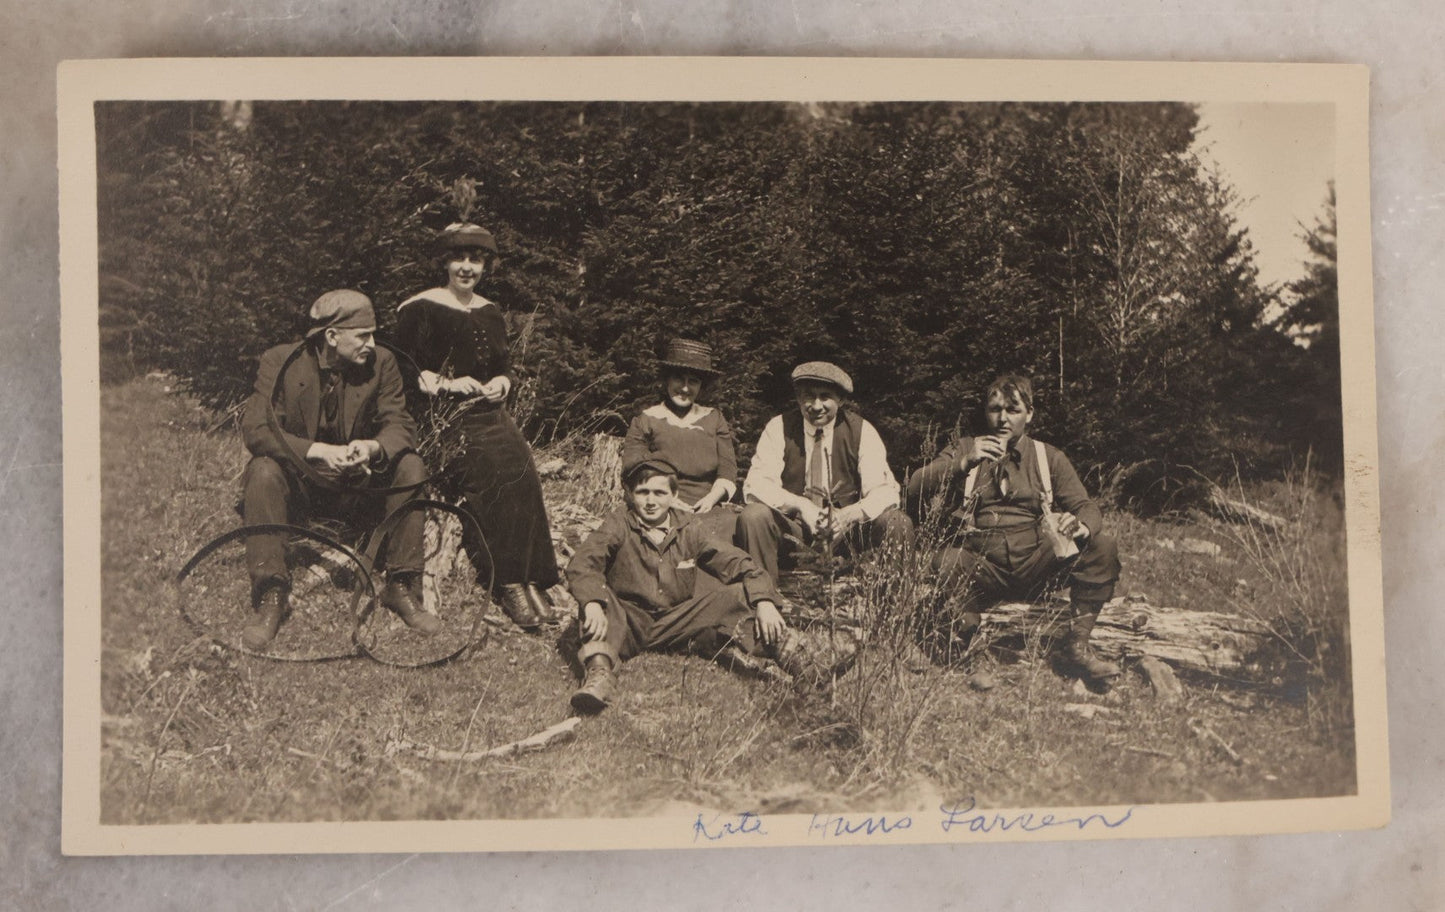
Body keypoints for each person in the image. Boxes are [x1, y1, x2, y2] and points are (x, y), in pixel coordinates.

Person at [568, 458, 857, 713]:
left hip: (677, 620)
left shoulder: (689, 528)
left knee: (739, 593)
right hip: (628, 620)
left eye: (659, 492)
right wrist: (592, 601)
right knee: (599, 595)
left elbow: (740, 563)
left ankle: (802, 661)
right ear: (631, 495)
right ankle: (599, 676)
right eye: (642, 493)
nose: (651, 501)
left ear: (674, 495)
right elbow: (584, 562)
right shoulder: (619, 522)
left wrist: (764, 602)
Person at [238, 289, 440, 650]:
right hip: (301, 494)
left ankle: (401, 584)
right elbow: (256, 429)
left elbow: (400, 424)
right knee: (263, 469)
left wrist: (374, 448)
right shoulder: (280, 361)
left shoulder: (383, 363)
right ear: (332, 337)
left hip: (359, 492)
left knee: (410, 464)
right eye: (363, 335)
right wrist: (317, 452)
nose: (372, 343)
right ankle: (272, 593)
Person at [392, 223, 560, 632]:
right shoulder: (420, 307)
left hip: (487, 412)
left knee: (523, 467)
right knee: (491, 471)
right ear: (445, 263)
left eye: (476, 260)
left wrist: (503, 383)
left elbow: (503, 366)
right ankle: (507, 582)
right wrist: (447, 384)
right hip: (441, 417)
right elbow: (400, 368)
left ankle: (533, 578)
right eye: (459, 259)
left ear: (485, 265)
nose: (467, 268)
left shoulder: (489, 311)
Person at [905, 373, 1122, 687]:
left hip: (1037, 564)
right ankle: (971, 650)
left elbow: (1086, 506)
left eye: (1013, 410)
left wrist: (1080, 527)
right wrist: (964, 463)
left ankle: (1077, 646)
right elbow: (914, 486)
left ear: (1029, 414)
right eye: (995, 409)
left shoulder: (1048, 457)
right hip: (983, 567)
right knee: (947, 559)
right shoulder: (967, 447)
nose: (1002, 419)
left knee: (1103, 545)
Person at [736, 361, 915, 585]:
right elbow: (756, 485)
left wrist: (849, 515)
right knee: (753, 515)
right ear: (798, 398)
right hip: (795, 533)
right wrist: (801, 505)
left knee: (896, 522)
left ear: (840, 400)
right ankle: (763, 600)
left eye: (825, 396)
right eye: (808, 396)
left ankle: (895, 609)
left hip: (846, 537)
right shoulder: (779, 427)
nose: (816, 405)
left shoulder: (861, 431)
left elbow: (886, 492)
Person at [620, 338, 739, 537]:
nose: (685, 388)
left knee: (725, 536)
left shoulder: (714, 418)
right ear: (667, 379)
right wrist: (665, 499)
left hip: (708, 508)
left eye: (693, 381)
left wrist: (711, 499)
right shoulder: (646, 420)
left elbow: (728, 470)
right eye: (678, 379)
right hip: (657, 506)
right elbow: (632, 469)